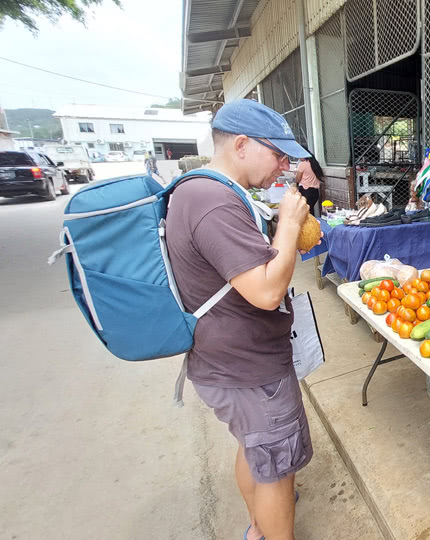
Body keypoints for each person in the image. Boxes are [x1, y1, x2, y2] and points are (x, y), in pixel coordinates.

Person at [165, 99, 317, 540]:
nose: (284, 166)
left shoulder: (208, 191)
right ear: (243, 144)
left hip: (231, 363)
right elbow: (267, 292)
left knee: (256, 451)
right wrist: (288, 224)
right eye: (278, 154)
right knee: (276, 470)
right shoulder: (213, 202)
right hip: (246, 370)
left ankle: (256, 529)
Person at [294, 151, 322, 216]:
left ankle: (310, 225)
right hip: (315, 192)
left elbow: (298, 179)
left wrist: (296, 174)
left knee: (306, 212)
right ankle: (313, 224)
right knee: (310, 210)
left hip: (306, 191)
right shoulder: (314, 163)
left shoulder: (302, 164)